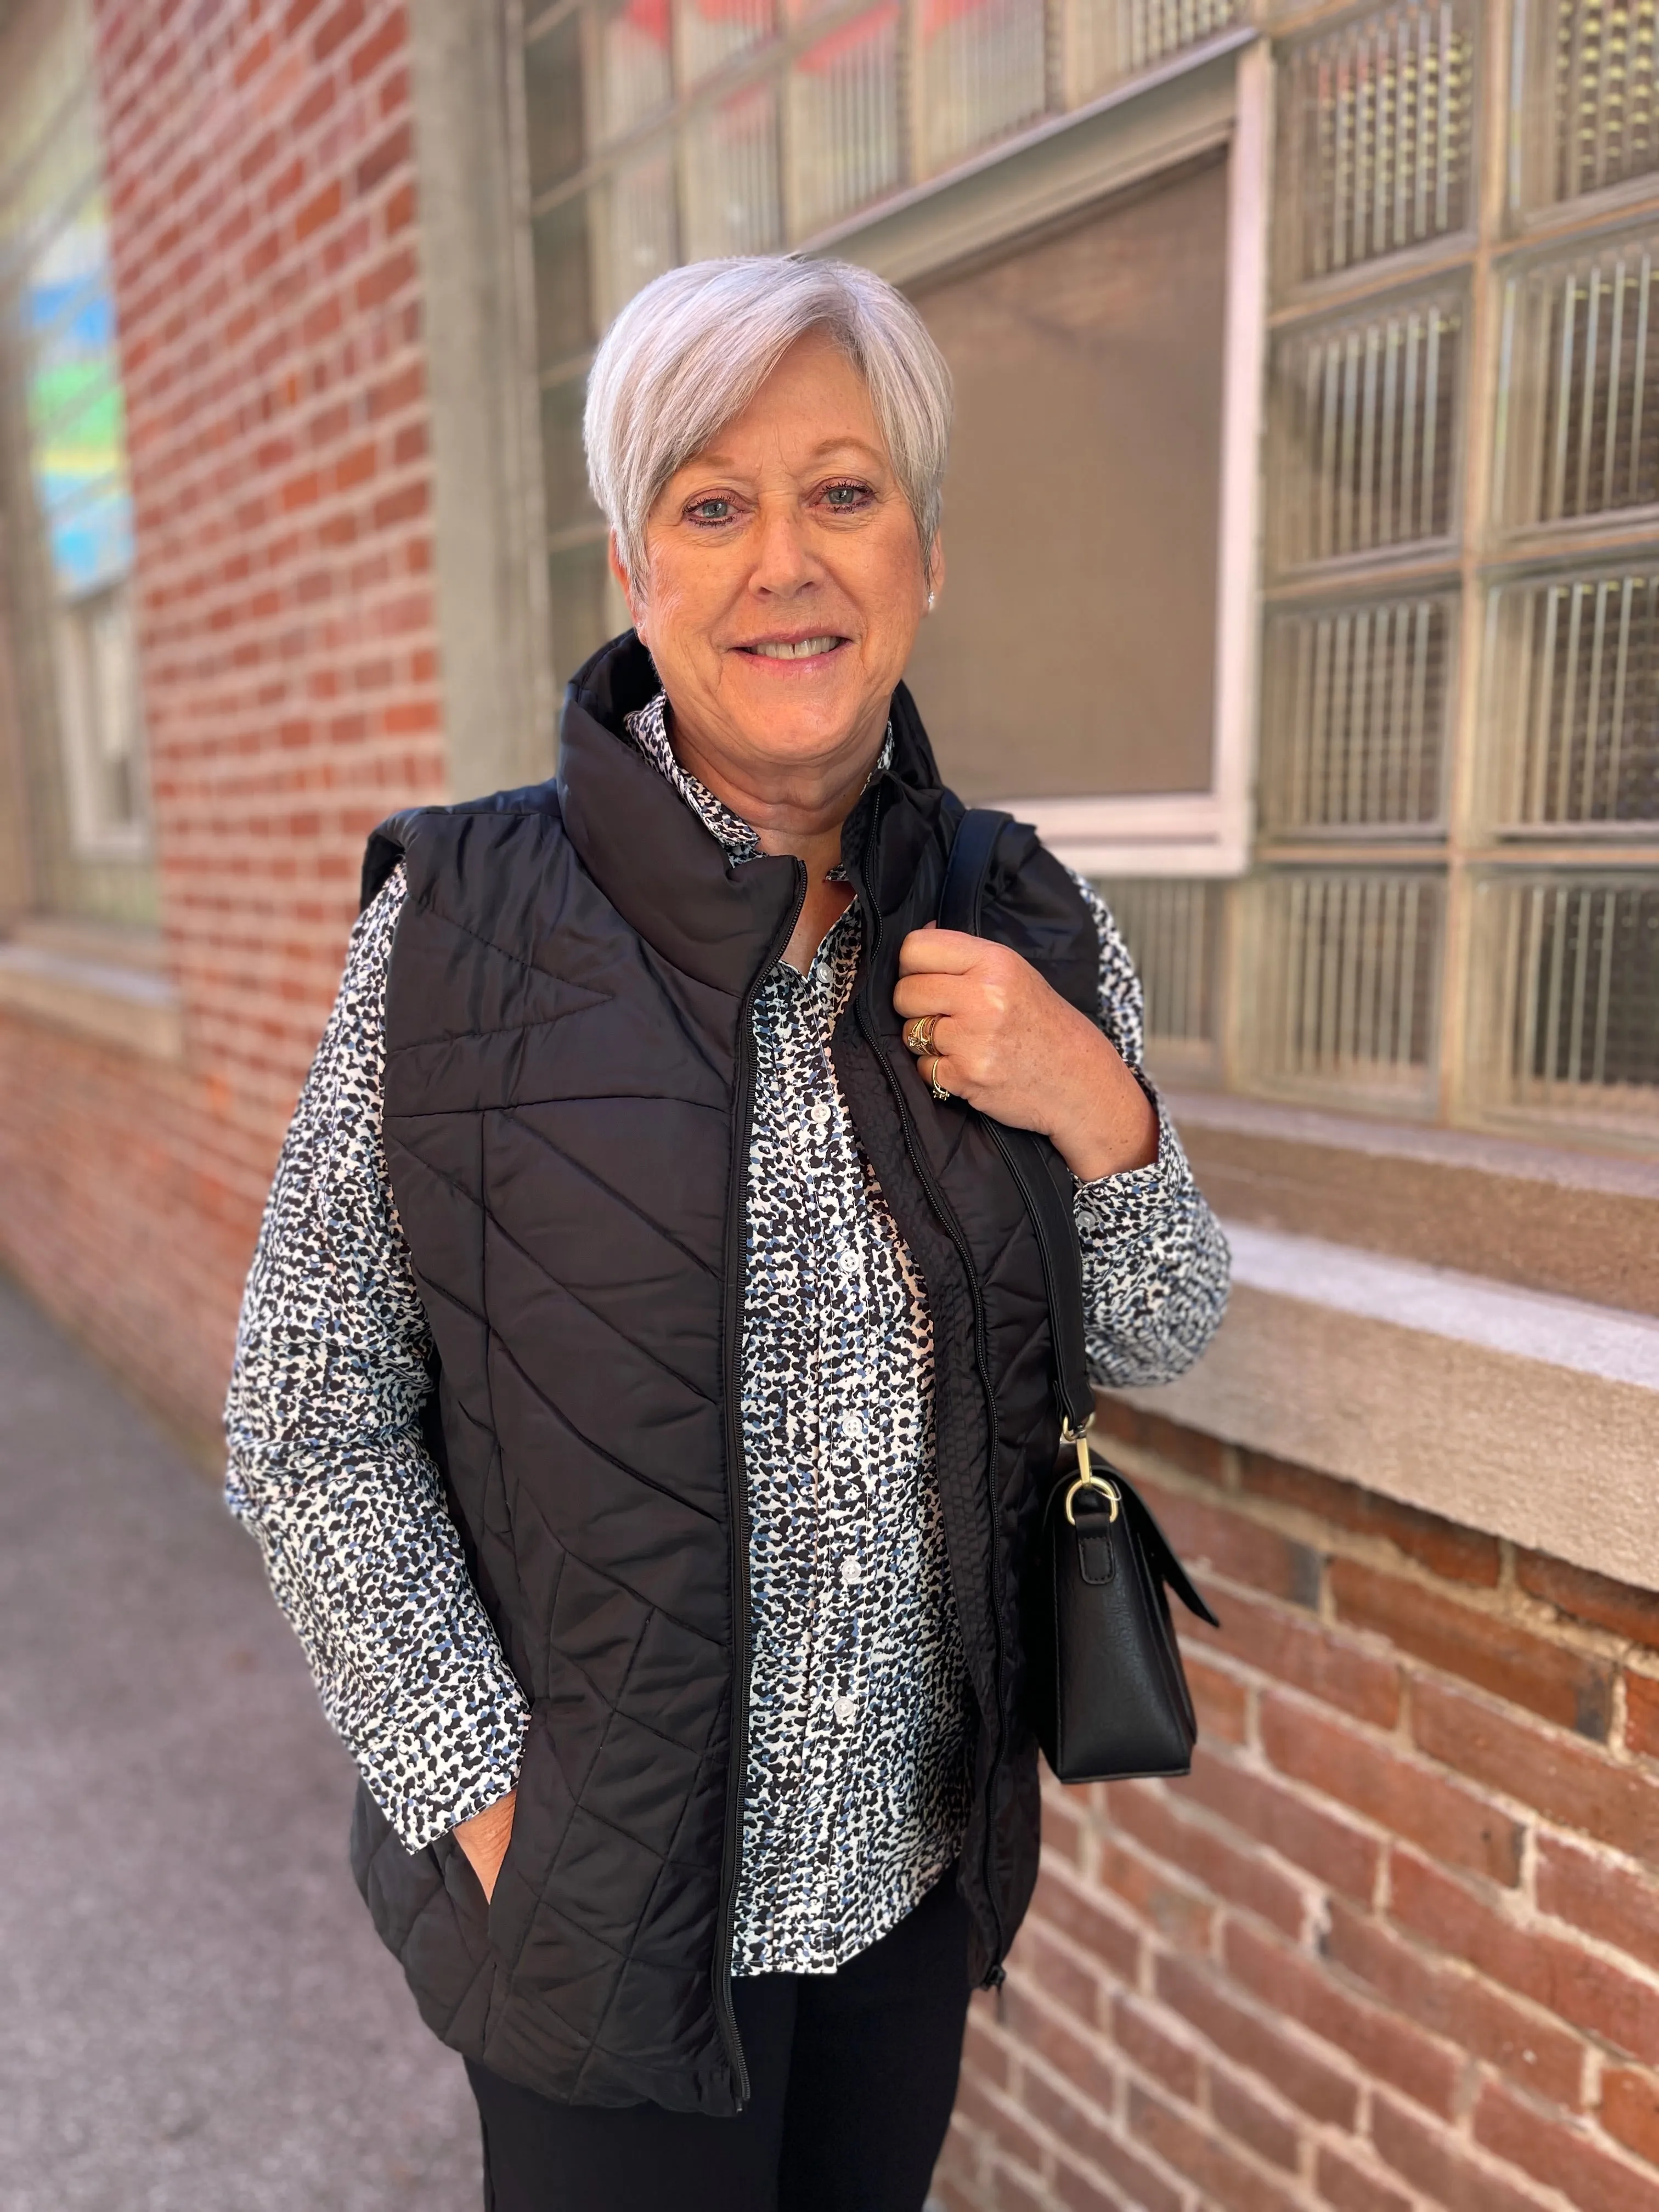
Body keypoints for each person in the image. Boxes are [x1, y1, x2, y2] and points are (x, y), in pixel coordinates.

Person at [224, 253, 1229, 2212]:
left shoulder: (1024, 919)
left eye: (844, 493)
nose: (788, 561)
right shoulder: (462, 926)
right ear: (636, 568)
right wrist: (503, 1817)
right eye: (716, 503)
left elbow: (1172, 1319)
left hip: (903, 1904)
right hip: (601, 1929)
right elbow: (306, 1415)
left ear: (926, 553)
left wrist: (1094, 1104)